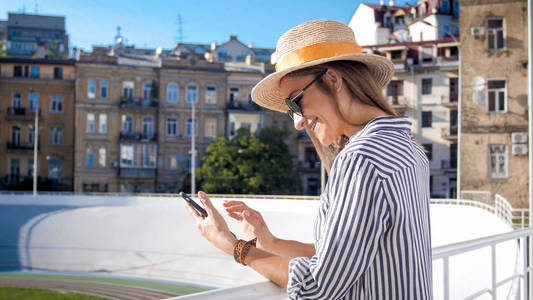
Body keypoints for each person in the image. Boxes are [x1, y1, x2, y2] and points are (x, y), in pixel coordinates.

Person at [185, 20, 432, 299]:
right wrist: (270, 241)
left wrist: (232, 244)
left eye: (295, 102)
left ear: (333, 79)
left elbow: (317, 288)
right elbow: (346, 259)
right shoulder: (406, 148)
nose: (298, 123)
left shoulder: (362, 159)